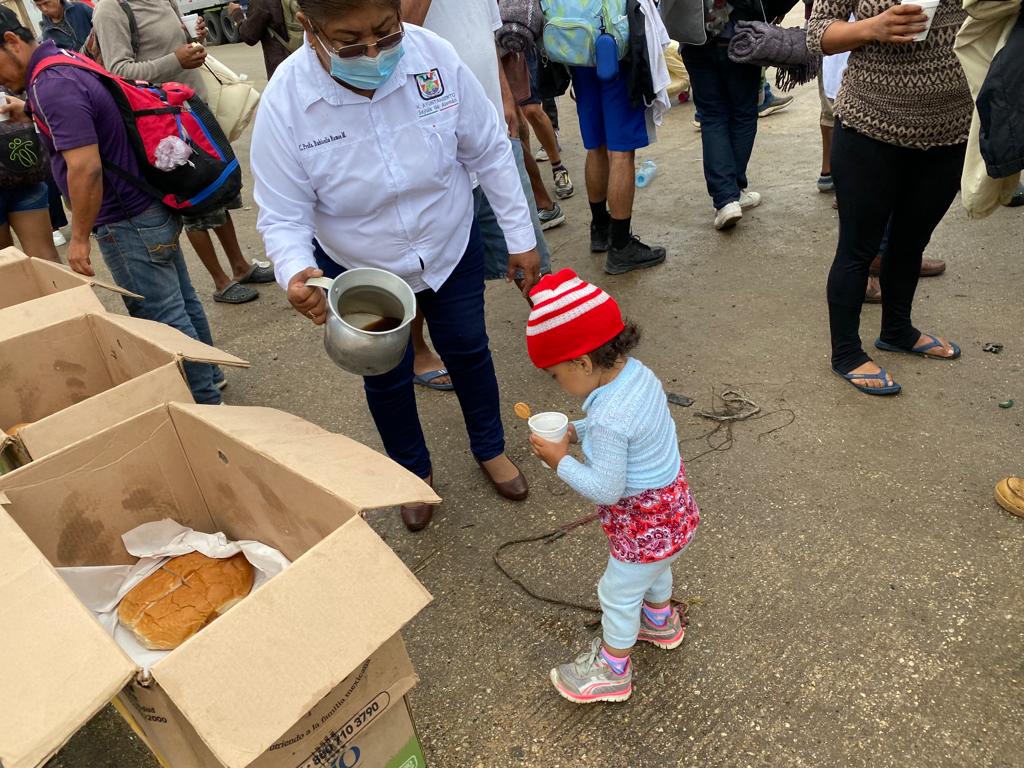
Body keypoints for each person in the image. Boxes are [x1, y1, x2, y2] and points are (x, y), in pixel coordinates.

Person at [252, 0, 540, 531]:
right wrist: (294, 270)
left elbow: (489, 153)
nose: (374, 53)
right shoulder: (286, 102)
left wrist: (521, 237)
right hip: (361, 268)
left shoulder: (434, 57)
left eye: (387, 33)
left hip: (447, 244)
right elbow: (282, 212)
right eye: (350, 41)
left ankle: (490, 447)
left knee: (469, 350)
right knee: (383, 374)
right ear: (308, 28)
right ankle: (412, 472)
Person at [0, 11, 223, 403]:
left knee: (162, 319)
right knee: (181, 301)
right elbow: (86, 115)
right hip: (148, 205)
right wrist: (29, 112)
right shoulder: (63, 59)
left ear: (11, 42)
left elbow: (85, 169)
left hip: (126, 220)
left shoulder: (49, 84)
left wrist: (80, 239)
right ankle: (212, 377)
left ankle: (206, 404)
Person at [526, 269, 700, 704]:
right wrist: (577, 431)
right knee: (654, 569)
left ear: (582, 363)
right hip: (673, 514)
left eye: (554, 375)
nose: (557, 383)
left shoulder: (607, 417)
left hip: (641, 523)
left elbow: (605, 488)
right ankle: (660, 623)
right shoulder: (638, 375)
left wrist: (559, 460)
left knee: (617, 593)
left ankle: (612, 671)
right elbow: (628, 433)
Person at [808, 0, 971, 396]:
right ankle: (846, 353)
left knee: (911, 241)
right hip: (869, 125)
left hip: (950, 130)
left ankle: (898, 330)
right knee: (858, 248)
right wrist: (873, 28)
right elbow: (818, 34)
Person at [406, 0, 554, 392]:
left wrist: (504, 96)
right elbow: (394, 33)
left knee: (530, 247)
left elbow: (486, 35)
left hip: (489, 131)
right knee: (424, 266)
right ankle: (417, 348)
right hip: (430, 141)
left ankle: (559, 334)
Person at [93, 0, 276, 304]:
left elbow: (175, 49)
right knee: (194, 200)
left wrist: (195, 41)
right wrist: (176, 59)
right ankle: (221, 280)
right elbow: (119, 72)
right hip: (163, 121)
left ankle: (240, 266)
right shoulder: (111, 9)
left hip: (193, 107)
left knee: (219, 189)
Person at [566, 6, 668, 275]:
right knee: (621, 150)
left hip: (578, 44)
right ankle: (621, 246)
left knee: (596, 144)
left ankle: (600, 228)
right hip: (615, 46)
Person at [681, 1, 798, 230]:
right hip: (741, 33)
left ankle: (727, 198)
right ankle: (731, 193)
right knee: (743, 113)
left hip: (695, 34)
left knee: (713, 115)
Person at [227, 0, 292, 79]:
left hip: (281, 63)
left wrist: (236, 13)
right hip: (302, 55)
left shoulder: (260, 2)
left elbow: (249, 36)